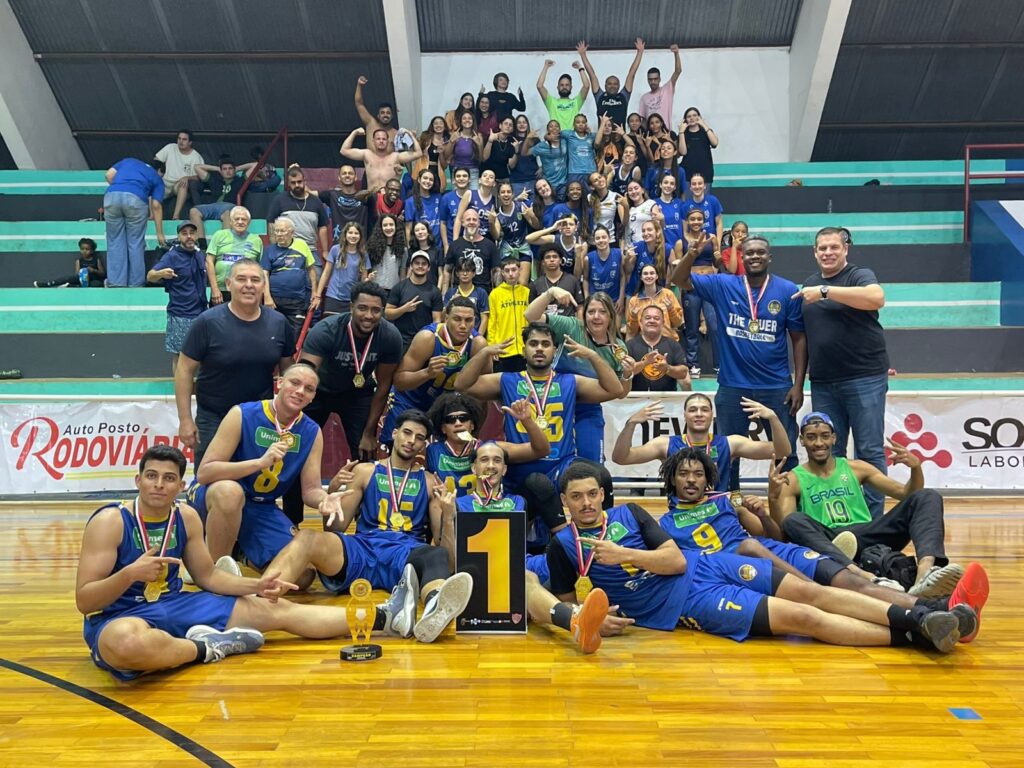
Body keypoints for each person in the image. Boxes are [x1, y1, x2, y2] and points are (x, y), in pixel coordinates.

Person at [545, 462, 974, 652]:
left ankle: (923, 614)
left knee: (811, 592)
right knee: (805, 619)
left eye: (592, 494)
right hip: (686, 604)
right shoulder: (562, 545)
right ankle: (918, 634)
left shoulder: (631, 514)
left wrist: (623, 554)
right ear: (564, 501)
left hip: (707, 564)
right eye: (577, 497)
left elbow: (674, 560)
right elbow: (566, 602)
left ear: (603, 494)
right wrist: (594, 617)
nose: (586, 503)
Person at [76, 445, 418, 681]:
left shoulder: (187, 516)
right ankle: (206, 648)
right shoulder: (111, 521)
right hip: (119, 615)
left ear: (180, 485)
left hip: (176, 605)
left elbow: (208, 576)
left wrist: (257, 586)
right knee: (125, 645)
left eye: (168, 479)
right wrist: (128, 575)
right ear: (138, 480)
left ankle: (387, 615)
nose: (158, 485)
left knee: (276, 609)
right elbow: (85, 601)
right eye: (151, 476)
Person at [264, 410, 475, 644]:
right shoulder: (365, 471)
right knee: (307, 538)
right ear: (394, 434)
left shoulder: (428, 481)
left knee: (435, 554)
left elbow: (448, 556)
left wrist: (448, 515)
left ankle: (435, 607)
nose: (411, 441)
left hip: (405, 556)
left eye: (418, 437)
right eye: (407, 433)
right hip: (362, 549)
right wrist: (332, 494)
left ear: (424, 445)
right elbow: (336, 529)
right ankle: (261, 598)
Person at [660, 447, 936, 610]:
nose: (691, 480)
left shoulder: (728, 501)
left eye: (698, 474)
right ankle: (818, 589)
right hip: (737, 571)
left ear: (708, 480)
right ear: (672, 480)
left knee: (850, 582)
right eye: (683, 474)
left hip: (775, 553)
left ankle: (928, 606)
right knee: (749, 547)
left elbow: (773, 535)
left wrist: (762, 514)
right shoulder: (665, 525)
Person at [769, 413, 975, 605]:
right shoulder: (793, 478)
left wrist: (915, 468)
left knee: (928, 496)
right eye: (811, 437)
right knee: (794, 520)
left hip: (867, 534)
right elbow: (784, 530)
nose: (819, 443)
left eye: (824, 436)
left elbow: (906, 493)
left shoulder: (856, 467)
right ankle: (857, 573)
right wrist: (773, 496)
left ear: (834, 438)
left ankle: (925, 573)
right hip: (828, 539)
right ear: (802, 441)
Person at [455, 323, 623, 548]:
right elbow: (462, 384)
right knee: (538, 484)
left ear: (554, 350)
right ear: (524, 350)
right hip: (523, 467)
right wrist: (484, 352)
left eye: (546, 344)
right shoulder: (507, 380)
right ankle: (564, 544)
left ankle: (606, 533)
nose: (539, 349)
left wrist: (592, 355)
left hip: (561, 463)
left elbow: (614, 390)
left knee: (600, 474)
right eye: (533, 344)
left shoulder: (570, 381)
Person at [672, 234, 805, 476]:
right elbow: (678, 279)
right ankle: (729, 508)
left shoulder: (787, 290)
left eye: (761, 252)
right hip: (733, 386)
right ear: (741, 257)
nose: (755, 256)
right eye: (750, 252)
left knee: (786, 453)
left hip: (776, 386)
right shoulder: (723, 284)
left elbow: (798, 339)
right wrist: (691, 254)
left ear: (770, 257)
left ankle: (787, 511)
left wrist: (798, 384)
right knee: (725, 455)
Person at [794, 227, 892, 518]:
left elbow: (876, 298)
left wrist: (826, 292)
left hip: (864, 379)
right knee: (829, 455)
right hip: (824, 383)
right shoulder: (808, 285)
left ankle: (873, 523)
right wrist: (799, 384)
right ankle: (838, 518)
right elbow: (805, 340)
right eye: (822, 248)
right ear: (814, 252)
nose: (828, 252)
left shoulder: (858, 276)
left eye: (834, 247)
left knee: (869, 451)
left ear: (845, 249)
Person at [187, 363, 325, 571]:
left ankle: (239, 552)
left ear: (313, 396)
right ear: (279, 383)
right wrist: (259, 463)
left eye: (308, 389)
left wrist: (326, 498)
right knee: (230, 493)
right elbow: (206, 473)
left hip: (261, 506)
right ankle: (211, 571)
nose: (300, 392)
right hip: (215, 494)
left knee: (302, 573)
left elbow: (311, 491)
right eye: (294, 383)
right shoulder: (242, 414)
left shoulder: (312, 432)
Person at [284, 282, 402, 523]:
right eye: (362, 308)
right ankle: (291, 521)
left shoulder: (390, 336)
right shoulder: (326, 330)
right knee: (297, 449)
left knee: (365, 452)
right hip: (319, 392)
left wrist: (369, 432)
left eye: (376, 310)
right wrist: (294, 420)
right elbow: (304, 377)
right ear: (351, 307)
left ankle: (366, 520)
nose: (369, 315)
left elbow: (384, 386)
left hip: (357, 393)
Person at [174, 259, 296, 467]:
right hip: (214, 418)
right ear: (228, 284)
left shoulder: (279, 323)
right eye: (241, 279)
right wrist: (185, 420)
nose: (249, 285)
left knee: (254, 482)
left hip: (259, 419)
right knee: (211, 485)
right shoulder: (207, 322)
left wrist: (288, 415)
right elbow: (184, 370)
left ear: (263, 286)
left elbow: (289, 372)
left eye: (255, 280)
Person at [524, 290, 632, 463]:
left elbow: (620, 393)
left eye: (602, 312)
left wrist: (628, 374)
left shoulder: (618, 348)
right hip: (554, 405)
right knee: (550, 459)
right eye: (591, 312)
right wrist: (550, 293)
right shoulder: (572, 327)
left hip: (588, 409)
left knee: (592, 464)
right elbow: (530, 315)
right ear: (584, 314)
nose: (596, 317)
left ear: (611, 316)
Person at [611, 393, 791, 493]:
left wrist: (773, 418)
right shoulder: (665, 444)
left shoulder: (730, 443)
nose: (698, 414)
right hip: (681, 515)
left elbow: (782, 451)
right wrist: (631, 423)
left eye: (704, 410)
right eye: (693, 410)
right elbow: (621, 458)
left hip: (718, 513)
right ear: (685, 416)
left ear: (711, 416)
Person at [383, 296, 488, 439]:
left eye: (468, 320)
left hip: (444, 408)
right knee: (398, 449)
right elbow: (399, 381)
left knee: (440, 457)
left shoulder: (478, 345)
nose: (463, 325)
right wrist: (426, 372)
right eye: (457, 319)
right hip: (411, 401)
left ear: (475, 321)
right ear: (446, 317)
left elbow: (484, 394)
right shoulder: (428, 338)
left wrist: (475, 430)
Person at [425, 393, 549, 499]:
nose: (458, 423)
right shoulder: (431, 451)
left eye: (463, 418)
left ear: (472, 425)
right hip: (449, 514)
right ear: (443, 428)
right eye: (450, 420)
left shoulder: (492, 448)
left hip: (487, 512)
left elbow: (541, 450)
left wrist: (527, 421)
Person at [147, 222, 209, 373]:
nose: (189, 236)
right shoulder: (171, 256)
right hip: (180, 313)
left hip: (201, 312)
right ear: (179, 236)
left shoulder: (200, 254)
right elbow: (150, 276)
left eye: (192, 233)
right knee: (180, 355)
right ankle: (179, 388)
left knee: (203, 354)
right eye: (184, 233)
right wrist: (161, 274)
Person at [103, 158, 165, 287]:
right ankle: (136, 283)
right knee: (135, 242)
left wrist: (120, 188)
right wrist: (160, 234)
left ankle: (116, 282)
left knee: (114, 241)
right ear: (159, 170)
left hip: (111, 196)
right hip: (136, 201)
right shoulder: (156, 177)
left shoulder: (128, 161)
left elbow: (108, 175)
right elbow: (156, 205)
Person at [675, 208, 720, 377]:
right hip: (691, 285)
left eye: (699, 219)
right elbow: (679, 268)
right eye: (692, 219)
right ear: (687, 221)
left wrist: (718, 257)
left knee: (714, 325)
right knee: (692, 326)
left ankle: (719, 365)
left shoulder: (712, 238)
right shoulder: (681, 242)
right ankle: (693, 364)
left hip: (709, 284)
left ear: (704, 221)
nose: (696, 222)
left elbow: (717, 262)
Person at [261, 217, 319, 336]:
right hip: (275, 300)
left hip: (297, 300)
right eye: (276, 231)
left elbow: (311, 270)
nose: (279, 234)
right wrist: (267, 296)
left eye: (282, 231)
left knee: (294, 336)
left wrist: (315, 293)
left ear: (292, 232)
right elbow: (264, 274)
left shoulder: (302, 245)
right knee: (273, 334)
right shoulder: (269, 250)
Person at [266, 166, 330, 269]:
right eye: (293, 182)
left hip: (310, 250)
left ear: (304, 181)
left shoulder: (316, 201)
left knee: (316, 279)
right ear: (288, 183)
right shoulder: (279, 200)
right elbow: (271, 223)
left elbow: (323, 227)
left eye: (299, 182)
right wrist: (275, 247)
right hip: (286, 250)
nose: (297, 185)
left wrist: (325, 251)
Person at [340, 126, 422, 201]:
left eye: (384, 139)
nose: (381, 141)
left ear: (388, 141)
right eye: (378, 139)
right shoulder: (367, 154)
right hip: (371, 197)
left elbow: (418, 153)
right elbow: (344, 151)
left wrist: (410, 134)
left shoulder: (395, 157)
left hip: (389, 198)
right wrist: (354, 132)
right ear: (373, 141)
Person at [577, 38, 645, 128]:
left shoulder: (623, 96)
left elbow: (632, 73)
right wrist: (583, 55)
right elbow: (592, 75)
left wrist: (640, 53)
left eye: (615, 84)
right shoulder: (600, 96)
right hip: (603, 138)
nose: (612, 86)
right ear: (605, 85)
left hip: (620, 138)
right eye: (609, 84)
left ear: (619, 86)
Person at [187, 156, 253, 246]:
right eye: (225, 169)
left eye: (230, 169)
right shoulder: (215, 180)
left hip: (229, 206)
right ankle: (202, 245)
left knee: (228, 213)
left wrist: (237, 169)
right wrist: (217, 169)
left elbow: (255, 165)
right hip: (214, 206)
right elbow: (197, 167)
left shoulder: (240, 180)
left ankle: (223, 245)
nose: (228, 171)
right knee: (194, 211)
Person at [205, 206, 263, 306]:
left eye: (244, 219)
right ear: (231, 222)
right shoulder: (219, 235)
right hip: (221, 292)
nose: (240, 222)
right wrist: (214, 289)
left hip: (246, 292)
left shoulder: (256, 240)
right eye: (237, 219)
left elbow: (261, 269)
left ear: (248, 223)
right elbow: (209, 261)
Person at [385, 251, 444, 349]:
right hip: (401, 340)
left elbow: (436, 321)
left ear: (428, 268)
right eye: (417, 263)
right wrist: (404, 309)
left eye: (424, 264)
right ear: (411, 266)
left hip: (424, 341)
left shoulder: (435, 291)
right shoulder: (399, 287)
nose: (420, 266)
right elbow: (387, 314)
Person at [624, 305, 690, 392]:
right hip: (636, 400)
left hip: (666, 399)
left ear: (663, 323)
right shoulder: (629, 345)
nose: (652, 321)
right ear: (640, 322)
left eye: (656, 318)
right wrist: (645, 363)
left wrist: (667, 368)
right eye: (648, 318)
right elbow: (625, 373)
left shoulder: (673, 345)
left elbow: (683, 373)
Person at [486, 257, 531, 371]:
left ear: (520, 270)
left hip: (524, 349)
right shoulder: (495, 294)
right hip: (503, 349)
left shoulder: (527, 292)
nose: (511, 274)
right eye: (507, 270)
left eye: (514, 270)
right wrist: (492, 346)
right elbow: (492, 322)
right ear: (502, 272)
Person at [319, 222, 370, 317]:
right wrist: (318, 295)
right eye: (350, 233)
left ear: (360, 236)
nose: (353, 236)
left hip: (351, 299)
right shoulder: (335, 249)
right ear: (345, 234)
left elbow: (363, 280)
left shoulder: (363, 254)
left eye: (356, 233)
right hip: (333, 296)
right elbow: (326, 273)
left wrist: (368, 280)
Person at [443, 209, 500, 292]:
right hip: (459, 293)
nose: (471, 222)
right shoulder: (455, 245)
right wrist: (444, 295)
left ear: (479, 223)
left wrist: (498, 295)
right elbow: (447, 271)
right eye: (468, 219)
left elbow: (496, 271)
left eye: (474, 219)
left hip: (483, 293)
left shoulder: (490, 245)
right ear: (463, 223)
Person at [625, 263, 683, 341]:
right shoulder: (634, 301)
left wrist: (671, 309)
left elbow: (678, 323)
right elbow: (632, 331)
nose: (649, 276)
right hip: (645, 343)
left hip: (668, 341)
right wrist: (634, 317)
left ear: (656, 276)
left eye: (652, 273)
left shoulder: (668, 294)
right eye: (645, 274)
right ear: (641, 278)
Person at [155, 130, 204, 220]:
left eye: (184, 139)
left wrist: (187, 177)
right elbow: (156, 160)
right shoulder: (170, 147)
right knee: (150, 185)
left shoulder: (196, 156)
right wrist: (160, 170)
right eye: (179, 139)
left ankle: (176, 216)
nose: (181, 141)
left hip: (179, 184)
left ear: (190, 142)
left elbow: (199, 177)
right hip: (164, 183)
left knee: (183, 185)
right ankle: (151, 216)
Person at [531, 246, 585, 319]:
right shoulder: (535, 284)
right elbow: (532, 310)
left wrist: (580, 326)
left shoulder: (572, 280)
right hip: (544, 327)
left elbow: (580, 307)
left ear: (560, 260)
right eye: (547, 257)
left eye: (555, 257)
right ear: (543, 262)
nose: (552, 260)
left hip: (567, 326)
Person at [526, 215, 587, 279]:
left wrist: (578, 255)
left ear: (576, 227)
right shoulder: (554, 239)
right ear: (560, 228)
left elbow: (577, 276)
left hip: (571, 280)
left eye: (571, 224)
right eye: (564, 224)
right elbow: (528, 239)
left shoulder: (582, 244)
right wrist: (552, 228)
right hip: (553, 277)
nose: (568, 227)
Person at [318, 164, 373, 237]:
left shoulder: (364, 197)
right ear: (339, 177)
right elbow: (306, 193)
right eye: (344, 173)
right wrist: (298, 172)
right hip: (339, 246)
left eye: (350, 173)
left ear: (356, 177)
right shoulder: (332, 195)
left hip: (360, 245)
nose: (347, 175)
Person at [537, 59, 589, 132]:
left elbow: (586, 86)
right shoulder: (551, 102)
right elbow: (539, 86)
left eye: (567, 85)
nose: (564, 87)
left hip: (572, 138)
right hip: (557, 137)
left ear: (571, 87)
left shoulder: (576, 102)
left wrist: (580, 68)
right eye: (562, 85)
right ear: (557, 87)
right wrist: (546, 67)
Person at [581, 225, 625, 311]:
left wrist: (621, 298)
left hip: (614, 300)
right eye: (598, 238)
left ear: (609, 238)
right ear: (594, 241)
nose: (601, 240)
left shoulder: (619, 254)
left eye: (604, 237)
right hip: (595, 301)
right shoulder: (588, 258)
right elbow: (585, 279)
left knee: (617, 325)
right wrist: (587, 299)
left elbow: (623, 276)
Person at [493, 181, 532, 274]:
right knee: (507, 280)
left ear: (513, 194)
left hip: (523, 248)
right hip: (507, 249)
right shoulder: (497, 213)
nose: (506, 194)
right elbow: (496, 236)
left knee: (522, 283)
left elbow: (536, 225)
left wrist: (532, 215)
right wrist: (491, 222)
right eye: (502, 192)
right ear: (498, 195)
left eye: (508, 192)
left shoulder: (521, 206)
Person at [34, 237, 106, 288]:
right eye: (82, 249)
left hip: (93, 280)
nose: (84, 251)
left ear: (92, 251)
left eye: (87, 249)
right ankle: (48, 284)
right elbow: (77, 274)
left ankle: (71, 286)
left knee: (97, 284)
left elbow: (103, 274)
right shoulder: (79, 261)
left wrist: (93, 270)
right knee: (68, 278)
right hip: (82, 280)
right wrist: (83, 273)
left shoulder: (96, 259)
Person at [443, 257, 489, 333]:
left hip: (474, 336)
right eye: (462, 271)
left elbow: (484, 318)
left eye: (468, 271)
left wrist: (478, 337)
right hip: (454, 337)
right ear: (457, 273)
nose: (465, 274)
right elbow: (443, 317)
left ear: (474, 273)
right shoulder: (450, 293)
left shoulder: (481, 293)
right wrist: (450, 302)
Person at [563, 113, 606, 192]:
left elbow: (597, 144)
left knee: (592, 197)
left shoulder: (591, 136)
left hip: (590, 171)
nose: (581, 124)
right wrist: (546, 136)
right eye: (578, 122)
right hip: (574, 172)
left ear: (586, 124)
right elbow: (554, 135)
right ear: (574, 124)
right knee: (574, 197)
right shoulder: (568, 134)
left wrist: (603, 123)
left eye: (583, 122)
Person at [638, 46, 682, 123]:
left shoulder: (667, 89)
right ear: (647, 80)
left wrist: (676, 53)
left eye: (655, 79)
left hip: (666, 133)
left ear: (659, 79)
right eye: (650, 80)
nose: (653, 82)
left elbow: (678, 71)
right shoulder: (644, 98)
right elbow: (644, 121)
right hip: (650, 134)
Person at [679, 107, 719, 188]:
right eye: (689, 116)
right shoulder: (683, 134)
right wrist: (681, 132)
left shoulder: (706, 131)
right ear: (685, 119)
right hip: (688, 173)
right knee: (688, 199)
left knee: (704, 199)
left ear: (699, 117)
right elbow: (683, 152)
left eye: (694, 115)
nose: (692, 118)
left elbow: (715, 143)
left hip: (705, 171)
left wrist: (704, 124)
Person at [442, 112, 483, 191]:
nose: (467, 120)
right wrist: (451, 141)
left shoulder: (478, 136)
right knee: (457, 199)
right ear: (460, 122)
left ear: (473, 121)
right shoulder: (455, 135)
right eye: (464, 118)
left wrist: (479, 145)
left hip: (473, 172)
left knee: (473, 199)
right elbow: (446, 156)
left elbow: (481, 159)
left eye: (469, 118)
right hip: (458, 172)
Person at [528, 121, 569, 200]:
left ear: (560, 129)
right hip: (548, 183)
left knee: (561, 205)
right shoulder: (542, 146)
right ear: (547, 130)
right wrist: (528, 138)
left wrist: (546, 136)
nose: (554, 128)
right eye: (551, 126)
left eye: (556, 126)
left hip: (563, 183)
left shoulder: (564, 141)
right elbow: (525, 153)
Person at [367, 213, 407, 291]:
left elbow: (402, 274)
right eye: (385, 225)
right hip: (375, 290)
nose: (388, 228)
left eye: (391, 224)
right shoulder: (372, 247)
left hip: (393, 291)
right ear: (380, 228)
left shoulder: (403, 249)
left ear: (396, 227)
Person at [682, 172, 724, 244]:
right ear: (690, 187)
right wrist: (691, 244)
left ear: (704, 186)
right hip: (694, 244)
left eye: (700, 183)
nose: (697, 186)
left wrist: (718, 244)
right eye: (694, 184)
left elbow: (719, 224)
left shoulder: (713, 201)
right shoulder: (685, 206)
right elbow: (685, 232)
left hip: (711, 243)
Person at [354, 75, 398, 143]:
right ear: (378, 116)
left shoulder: (396, 134)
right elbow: (359, 104)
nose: (385, 115)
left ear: (392, 116)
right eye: (382, 113)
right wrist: (359, 85)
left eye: (388, 113)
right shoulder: (371, 124)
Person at [404, 169, 443, 246]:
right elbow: (408, 228)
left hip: (438, 246)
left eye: (431, 179)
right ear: (419, 180)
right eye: (425, 178)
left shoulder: (439, 198)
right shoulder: (410, 202)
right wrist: (409, 248)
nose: (428, 181)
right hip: (421, 246)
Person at [508, 116, 540, 198]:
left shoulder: (535, 140)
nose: (522, 124)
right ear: (515, 125)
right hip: (517, 180)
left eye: (524, 122)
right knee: (518, 208)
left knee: (535, 208)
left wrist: (542, 167)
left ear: (527, 124)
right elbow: (511, 165)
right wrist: (516, 151)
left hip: (533, 179)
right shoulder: (510, 140)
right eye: (519, 122)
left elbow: (546, 155)